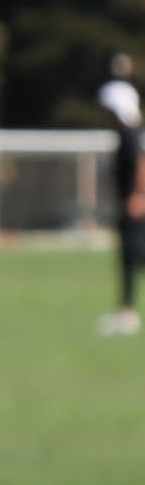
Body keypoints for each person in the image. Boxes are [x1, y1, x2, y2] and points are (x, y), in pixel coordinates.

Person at [96, 53, 143, 335]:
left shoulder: (129, 135)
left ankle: (127, 313)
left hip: (135, 206)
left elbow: (141, 163)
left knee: (135, 255)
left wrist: (138, 195)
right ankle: (126, 312)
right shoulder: (128, 134)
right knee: (128, 259)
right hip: (130, 204)